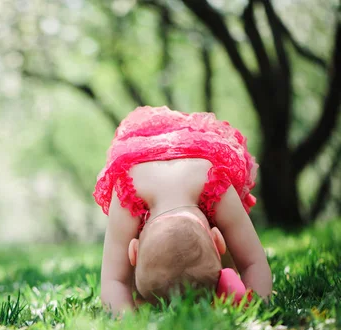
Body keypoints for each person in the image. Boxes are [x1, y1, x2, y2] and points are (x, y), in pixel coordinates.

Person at [94, 106, 272, 314]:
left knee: (216, 251)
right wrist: (259, 307)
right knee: (153, 272)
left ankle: (211, 282)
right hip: (162, 159)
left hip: (188, 156)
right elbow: (114, 280)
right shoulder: (129, 191)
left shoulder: (215, 182)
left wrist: (258, 309)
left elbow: (253, 262)